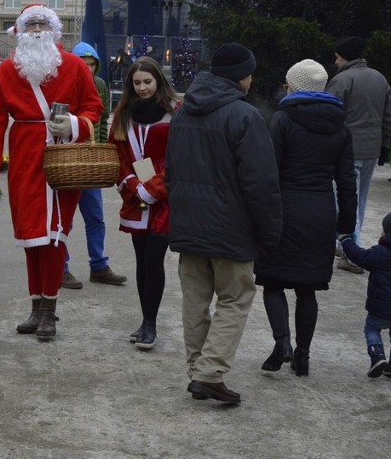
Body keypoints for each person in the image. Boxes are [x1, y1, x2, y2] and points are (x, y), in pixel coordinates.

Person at [0, 4, 103, 341]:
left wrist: (74, 123)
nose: (38, 30)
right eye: (31, 25)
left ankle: (49, 310)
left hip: (62, 160)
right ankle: (36, 306)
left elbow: (93, 108)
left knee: (54, 235)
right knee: (31, 236)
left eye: (44, 23)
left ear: (56, 30)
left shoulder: (74, 67)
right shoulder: (5, 72)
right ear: (18, 31)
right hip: (24, 157)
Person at [165, 42, 282, 404]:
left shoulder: (183, 113)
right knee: (235, 298)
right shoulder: (245, 117)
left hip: (189, 224)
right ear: (243, 76)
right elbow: (261, 183)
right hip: (232, 227)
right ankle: (209, 373)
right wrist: (270, 231)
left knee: (195, 300)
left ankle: (197, 370)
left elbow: (171, 171)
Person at [253, 59, 357, 377]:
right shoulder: (340, 127)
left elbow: (269, 171)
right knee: (307, 288)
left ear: (293, 86)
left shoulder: (283, 120)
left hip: (284, 210)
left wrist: (259, 212)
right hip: (320, 212)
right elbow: (347, 182)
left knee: (273, 280)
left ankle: (282, 342)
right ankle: (303, 355)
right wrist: (345, 226)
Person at [108, 56, 180, 350]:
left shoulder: (176, 111)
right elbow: (117, 154)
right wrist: (133, 185)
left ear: (158, 81)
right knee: (141, 260)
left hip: (164, 197)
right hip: (135, 196)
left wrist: (153, 188)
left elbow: (180, 157)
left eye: (147, 82)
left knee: (154, 259)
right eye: (136, 83)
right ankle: (144, 320)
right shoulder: (123, 113)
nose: (142, 88)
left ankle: (151, 323)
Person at [61, 42, 127, 289]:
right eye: (83, 63)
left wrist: (98, 149)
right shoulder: (64, 83)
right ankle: (61, 268)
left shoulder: (99, 85)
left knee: (96, 217)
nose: (87, 68)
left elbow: (102, 119)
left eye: (91, 64)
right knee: (64, 219)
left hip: (91, 160)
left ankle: (98, 265)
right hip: (67, 161)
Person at [325, 36, 391, 273]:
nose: (335, 60)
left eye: (337, 56)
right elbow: (387, 116)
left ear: (345, 56)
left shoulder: (342, 79)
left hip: (346, 150)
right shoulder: (380, 78)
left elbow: (329, 114)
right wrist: (384, 145)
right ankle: (345, 243)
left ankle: (350, 250)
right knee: (360, 199)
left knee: (342, 199)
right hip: (371, 149)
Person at [340, 212, 391, 378]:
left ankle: (377, 356)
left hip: (380, 307)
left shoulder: (379, 253)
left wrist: (346, 240)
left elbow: (359, 256)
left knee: (372, 328)